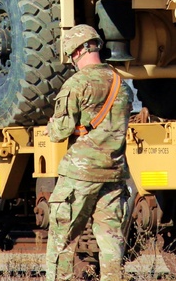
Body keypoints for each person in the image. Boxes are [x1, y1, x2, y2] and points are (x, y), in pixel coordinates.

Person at [45, 24, 134, 281]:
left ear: (79, 50)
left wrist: (53, 126)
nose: (72, 59)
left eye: (72, 54)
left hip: (79, 176)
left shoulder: (76, 84)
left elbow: (59, 132)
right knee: (111, 245)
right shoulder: (121, 84)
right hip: (114, 174)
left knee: (62, 242)